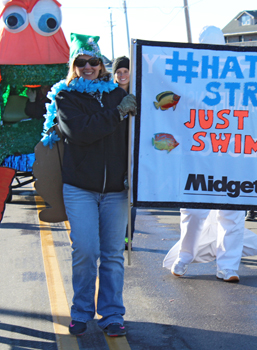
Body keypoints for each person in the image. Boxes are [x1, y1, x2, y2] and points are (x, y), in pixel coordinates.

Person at [164, 26, 257, 283]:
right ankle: (184, 256)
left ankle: (228, 266)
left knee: (232, 213)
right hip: (198, 156)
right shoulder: (187, 76)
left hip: (233, 157)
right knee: (194, 212)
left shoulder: (241, 76)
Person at [48, 33, 137, 337]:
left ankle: (112, 313)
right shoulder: (65, 96)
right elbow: (80, 131)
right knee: (85, 250)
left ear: (102, 65)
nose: (88, 66)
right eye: (81, 61)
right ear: (73, 65)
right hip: (79, 187)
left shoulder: (117, 94)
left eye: (93, 61)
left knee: (113, 254)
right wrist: (118, 113)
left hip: (116, 189)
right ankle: (81, 311)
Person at [112, 55, 136, 250]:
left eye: (125, 71)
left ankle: (127, 238)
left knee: (131, 198)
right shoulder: (110, 95)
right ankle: (115, 236)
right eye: (118, 72)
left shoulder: (139, 91)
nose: (122, 75)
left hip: (133, 150)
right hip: (115, 151)